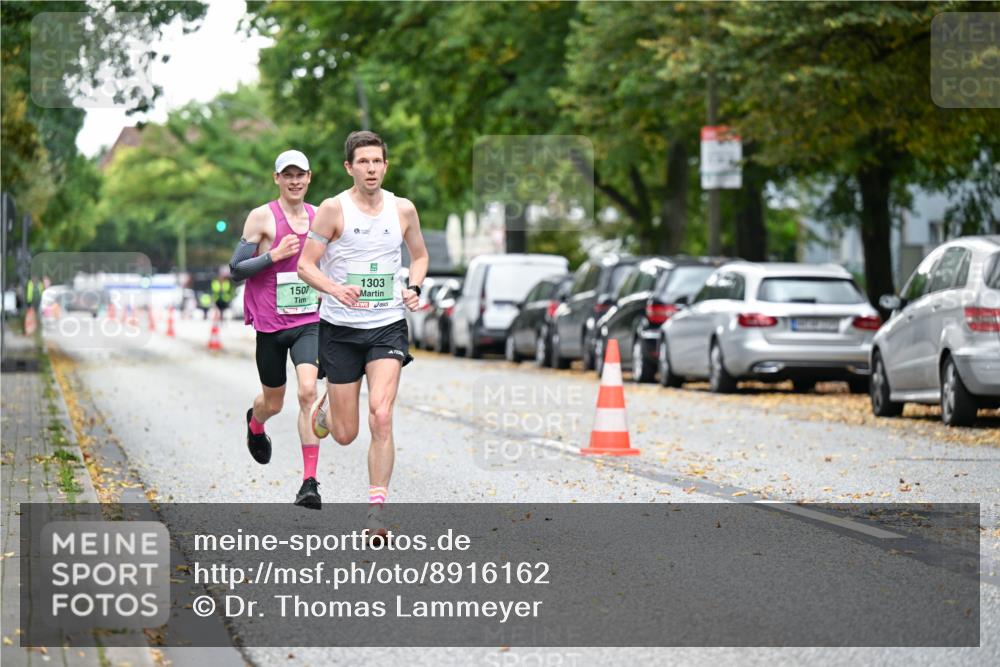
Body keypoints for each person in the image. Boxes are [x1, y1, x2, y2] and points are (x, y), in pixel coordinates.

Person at [298, 130, 428, 539]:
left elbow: (420, 256)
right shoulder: (333, 210)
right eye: (363, 162)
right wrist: (335, 289)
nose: (371, 169)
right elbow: (305, 265)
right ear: (349, 167)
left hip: (387, 324)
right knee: (344, 433)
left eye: (377, 161)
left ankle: (376, 513)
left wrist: (414, 287)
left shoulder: (403, 209)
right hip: (340, 329)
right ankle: (326, 410)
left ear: (385, 166)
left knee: (382, 415)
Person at [229, 149, 324, 509]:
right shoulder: (262, 217)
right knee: (274, 403)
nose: (295, 181)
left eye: (300, 175)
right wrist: (274, 255)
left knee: (308, 392)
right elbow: (236, 269)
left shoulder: (320, 217)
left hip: (307, 322)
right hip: (270, 326)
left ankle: (309, 483)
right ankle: (255, 423)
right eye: (288, 175)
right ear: (277, 179)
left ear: (309, 177)